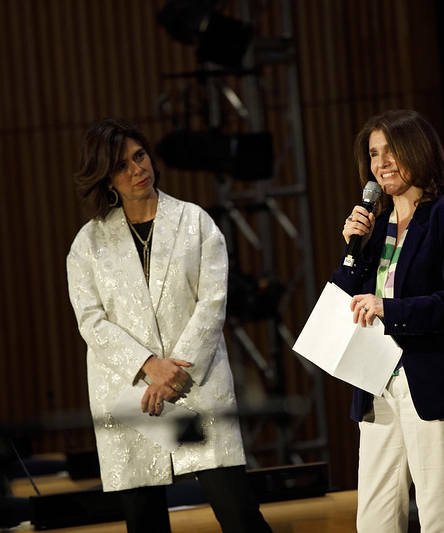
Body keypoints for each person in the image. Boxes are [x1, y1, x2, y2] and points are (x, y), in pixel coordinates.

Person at [66, 118, 271, 533]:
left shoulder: (195, 222)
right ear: (107, 178)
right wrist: (147, 365)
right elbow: (90, 319)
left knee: (239, 513)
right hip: (134, 396)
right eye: (122, 166)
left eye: (139, 156)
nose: (137, 170)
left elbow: (213, 303)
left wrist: (171, 372)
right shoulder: (88, 243)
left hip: (194, 384)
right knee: (145, 522)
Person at [331, 109, 444, 532]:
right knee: (375, 522)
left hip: (433, 382)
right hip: (378, 382)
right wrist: (353, 250)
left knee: (441, 519)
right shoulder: (377, 227)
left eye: (391, 151)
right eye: (373, 154)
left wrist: (392, 309)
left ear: (417, 152)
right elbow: (342, 300)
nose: (380, 164)